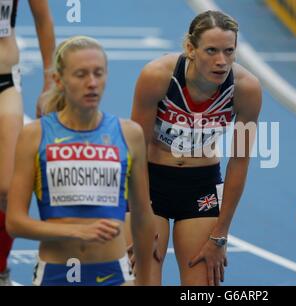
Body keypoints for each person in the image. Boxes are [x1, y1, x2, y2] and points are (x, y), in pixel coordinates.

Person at [6, 36, 155, 286]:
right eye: (81, 74)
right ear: (59, 80)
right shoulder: (35, 135)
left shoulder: (129, 134)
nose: (92, 83)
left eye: (98, 73)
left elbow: (142, 217)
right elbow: (15, 222)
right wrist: (77, 230)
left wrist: (147, 282)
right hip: (55, 274)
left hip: (115, 275)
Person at [130, 10, 261, 285]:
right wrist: (139, 215)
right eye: (211, 50)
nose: (221, 61)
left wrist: (220, 234)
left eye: (229, 51)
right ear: (190, 48)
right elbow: (136, 149)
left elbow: (239, 161)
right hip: (151, 182)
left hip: (201, 188)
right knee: (141, 278)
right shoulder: (157, 77)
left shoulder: (246, 89)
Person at [0, 0, 55, 285]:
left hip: (4, 80)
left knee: (7, 189)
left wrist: (49, 80)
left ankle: (1, 270)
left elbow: (43, 19)